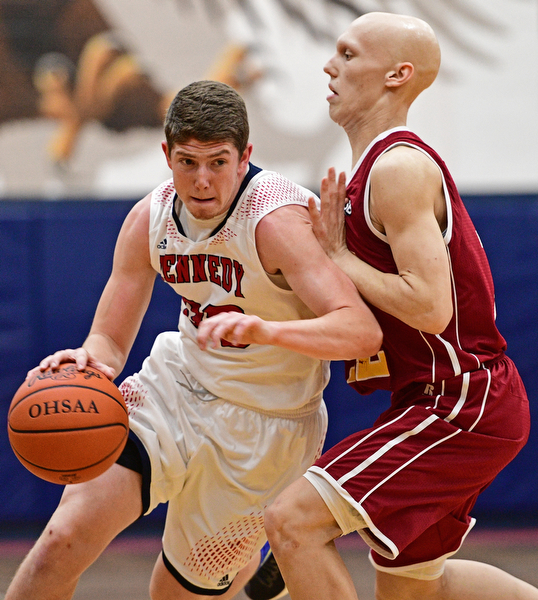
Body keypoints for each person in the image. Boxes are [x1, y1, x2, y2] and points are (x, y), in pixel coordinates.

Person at [5, 80, 382, 600]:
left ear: (245, 155)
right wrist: (87, 359)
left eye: (218, 163)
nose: (202, 181)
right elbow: (108, 342)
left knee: (175, 593)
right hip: (175, 389)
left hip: (265, 427)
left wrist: (267, 330)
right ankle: (249, 566)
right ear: (166, 154)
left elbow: (360, 332)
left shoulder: (277, 221)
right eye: (187, 162)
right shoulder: (149, 218)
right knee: (60, 543)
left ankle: (252, 567)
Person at [264, 12, 538, 600]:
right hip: (439, 396)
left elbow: (431, 308)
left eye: (348, 53)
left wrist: (340, 258)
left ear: (397, 74)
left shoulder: (398, 168)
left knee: (292, 522)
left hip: (461, 400)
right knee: (418, 591)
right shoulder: (372, 170)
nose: (328, 65)